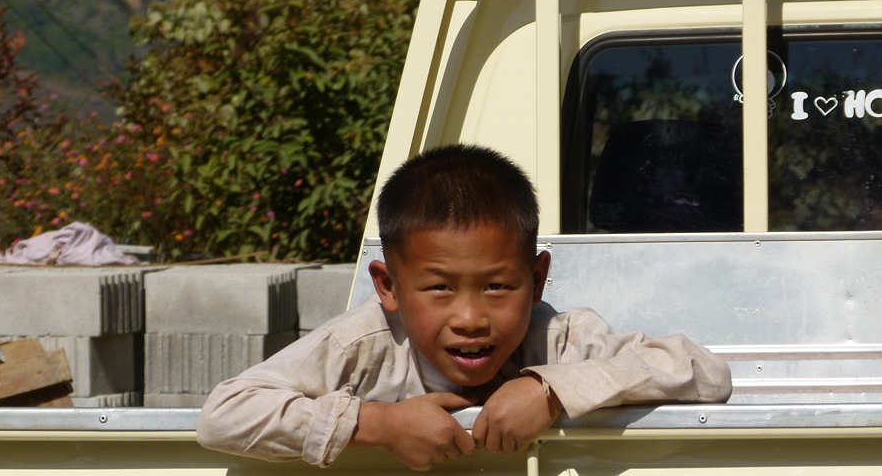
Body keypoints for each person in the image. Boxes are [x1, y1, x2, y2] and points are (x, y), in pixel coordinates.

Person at [197, 144, 732, 470]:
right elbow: (224, 416)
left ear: (538, 278)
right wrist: (378, 426)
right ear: (388, 287)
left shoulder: (561, 340)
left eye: (498, 287)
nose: (472, 318)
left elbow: (705, 371)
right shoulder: (362, 345)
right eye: (439, 289)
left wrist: (550, 391)